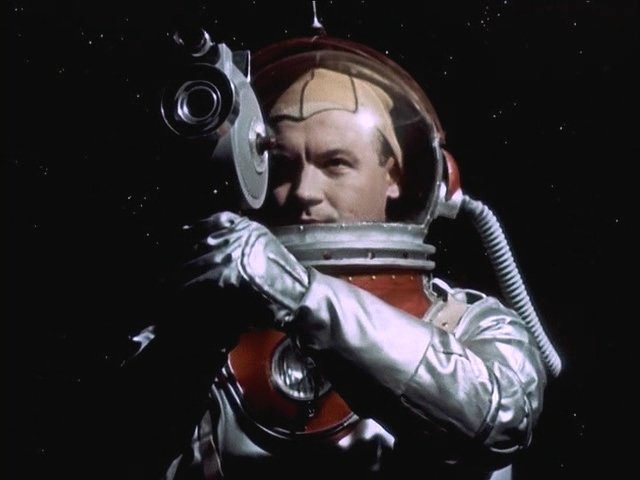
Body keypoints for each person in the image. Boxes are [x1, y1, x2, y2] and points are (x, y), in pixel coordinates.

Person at [116, 35, 550, 480]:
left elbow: (500, 421)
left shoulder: (468, 325)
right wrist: (193, 340)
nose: (305, 191)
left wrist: (297, 292)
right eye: (283, 167)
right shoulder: (207, 330)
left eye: (336, 163)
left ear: (395, 176)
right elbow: (120, 449)